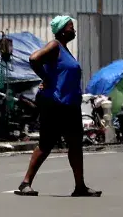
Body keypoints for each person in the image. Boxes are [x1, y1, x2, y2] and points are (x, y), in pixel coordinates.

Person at [16, 15, 102, 198]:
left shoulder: (65, 50)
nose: (73, 30)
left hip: (70, 105)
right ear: (62, 30)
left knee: (75, 145)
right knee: (46, 144)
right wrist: (46, 78)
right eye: (70, 26)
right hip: (56, 103)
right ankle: (25, 183)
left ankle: (80, 187)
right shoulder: (54, 45)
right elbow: (34, 59)